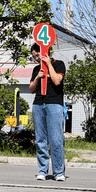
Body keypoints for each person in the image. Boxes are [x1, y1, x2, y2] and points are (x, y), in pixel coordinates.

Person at [30, 41, 67, 181]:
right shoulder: (35, 69)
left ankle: (58, 172)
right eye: (34, 56)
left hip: (54, 104)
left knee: (56, 139)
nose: (37, 58)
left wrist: (48, 64)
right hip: (38, 104)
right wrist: (37, 77)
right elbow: (31, 89)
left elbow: (57, 81)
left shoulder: (59, 64)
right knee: (40, 139)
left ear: (45, 50)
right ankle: (42, 171)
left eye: (38, 54)